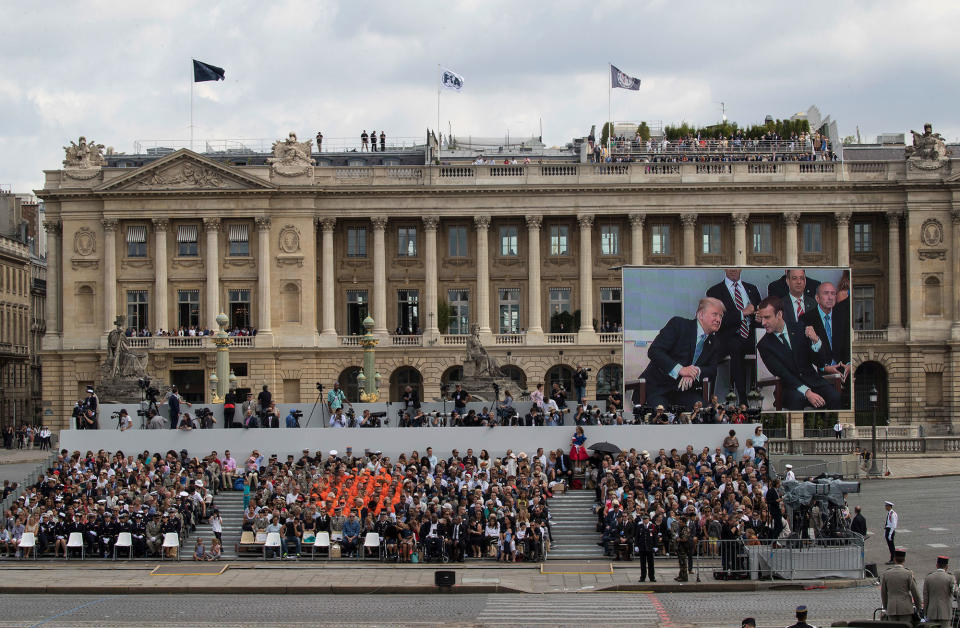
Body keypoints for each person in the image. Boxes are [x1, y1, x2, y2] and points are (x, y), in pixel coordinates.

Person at [755, 296, 840, 410]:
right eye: (762, 318)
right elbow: (783, 373)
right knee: (797, 400)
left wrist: (816, 341)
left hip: (813, 381)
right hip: (789, 387)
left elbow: (820, 362)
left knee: (834, 397)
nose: (763, 323)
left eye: (767, 317)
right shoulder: (764, 345)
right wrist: (807, 392)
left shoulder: (800, 328)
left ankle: (831, 428)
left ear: (779, 315)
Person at [639, 297, 724, 410]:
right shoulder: (678, 325)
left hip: (684, 392)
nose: (718, 319)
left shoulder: (714, 342)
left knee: (705, 412)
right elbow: (655, 351)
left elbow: (712, 370)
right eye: (715, 314)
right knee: (661, 416)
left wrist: (695, 371)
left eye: (721, 316)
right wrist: (681, 370)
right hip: (658, 389)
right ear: (700, 315)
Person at [706, 269, 762, 404]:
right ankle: (742, 398)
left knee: (764, 344)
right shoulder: (714, 291)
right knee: (735, 346)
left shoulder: (752, 289)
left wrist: (759, 318)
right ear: (724, 268)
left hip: (750, 335)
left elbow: (758, 314)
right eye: (729, 266)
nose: (733, 270)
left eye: (736, 266)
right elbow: (716, 322)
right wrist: (742, 313)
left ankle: (761, 395)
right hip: (728, 338)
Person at [880, 548, 920, 624]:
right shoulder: (908, 573)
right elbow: (915, 592)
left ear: (894, 559)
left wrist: (886, 607)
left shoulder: (886, 574)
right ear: (904, 560)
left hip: (891, 608)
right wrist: (918, 607)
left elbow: (883, 593)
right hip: (905, 608)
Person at [923, 556, 955, 626]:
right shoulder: (950, 578)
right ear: (947, 567)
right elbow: (955, 592)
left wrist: (925, 612)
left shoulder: (928, 577)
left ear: (937, 565)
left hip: (931, 612)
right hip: (945, 613)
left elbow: (926, 597)